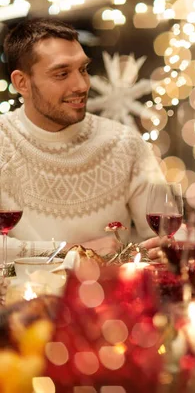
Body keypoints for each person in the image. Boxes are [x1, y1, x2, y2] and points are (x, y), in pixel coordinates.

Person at [0, 18, 163, 260]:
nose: (81, 84)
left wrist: (169, 249)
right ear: (22, 83)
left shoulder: (125, 143)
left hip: (111, 294)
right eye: (62, 73)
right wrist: (73, 252)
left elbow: (167, 236)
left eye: (83, 70)